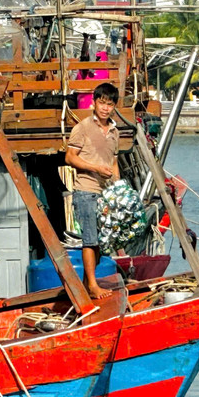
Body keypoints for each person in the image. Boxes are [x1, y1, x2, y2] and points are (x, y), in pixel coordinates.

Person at [65, 82, 120, 299]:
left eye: (110, 104)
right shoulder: (83, 127)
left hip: (106, 193)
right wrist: (95, 168)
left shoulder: (115, 132)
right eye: (102, 103)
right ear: (94, 103)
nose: (105, 108)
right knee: (90, 239)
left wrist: (118, 188)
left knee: (101, 241)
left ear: (114, 106)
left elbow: (114, 163)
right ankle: (93, 286)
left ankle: (88, 283)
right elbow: (69, 157)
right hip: (86, 190)